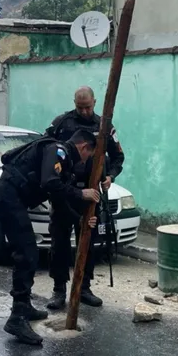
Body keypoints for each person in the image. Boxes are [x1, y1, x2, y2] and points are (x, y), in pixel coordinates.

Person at [0, 128, 100, 345]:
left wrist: (80, 220)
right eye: (89, 154)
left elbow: (58, 197)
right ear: (83, 147)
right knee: (27, 254)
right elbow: (50, 183)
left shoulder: (63, 159)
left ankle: (25, 308)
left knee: (27, 252)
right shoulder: (58, 150)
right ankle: (17, 317)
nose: (86, 161)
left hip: (14, 200)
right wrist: (80, 193)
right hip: (8, 198)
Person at [44, 86, 125, 310]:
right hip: (64, 194)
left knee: (88, 242)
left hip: (91, 196)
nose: (84, 111)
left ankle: (84, 287)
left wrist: (110, 176)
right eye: (80, 107)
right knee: (59, 243)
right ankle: (59, 289)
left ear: (95, 102)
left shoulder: (104, 126)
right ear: (74, 103)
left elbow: (118, 156)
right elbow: (45, 148)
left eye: (88, 107)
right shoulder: (61, 123)